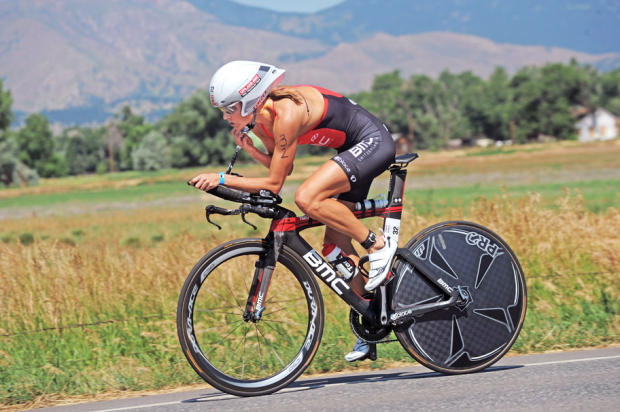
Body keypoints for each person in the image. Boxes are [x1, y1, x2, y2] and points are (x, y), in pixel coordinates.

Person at [189, 60, 397, 362]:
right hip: (351, 150)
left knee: (307, 198)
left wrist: (222, 178)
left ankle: (377, 246)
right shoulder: (261, 122)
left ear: (250, 99)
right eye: (222, 110)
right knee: (334, 248)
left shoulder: (285, 113)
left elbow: (274, 184)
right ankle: (373, 317)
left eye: (229, 108)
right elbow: (282, 167)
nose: (225, 117)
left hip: (372, 142)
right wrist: (251, 149)